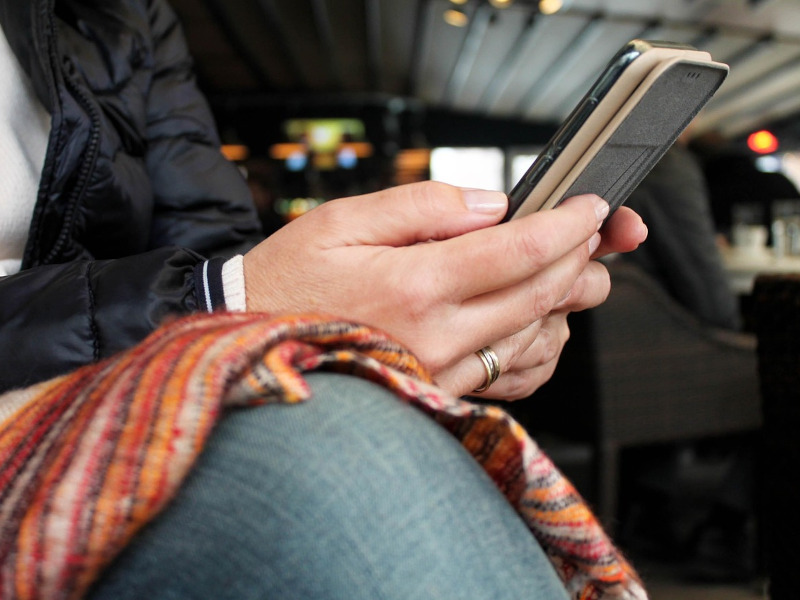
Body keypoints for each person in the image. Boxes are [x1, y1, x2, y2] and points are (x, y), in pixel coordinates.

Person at [0, 1, 647, 598]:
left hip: (124, 375)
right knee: (343, 454)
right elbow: (233, 280)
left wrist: (444, 299)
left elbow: (212, 236)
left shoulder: (122, 9)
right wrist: (241, 305)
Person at [621, 141, 741, 330]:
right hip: (663, 332)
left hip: (624, 322)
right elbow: (709, 298)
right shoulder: (665, 164)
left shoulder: (624, 153)